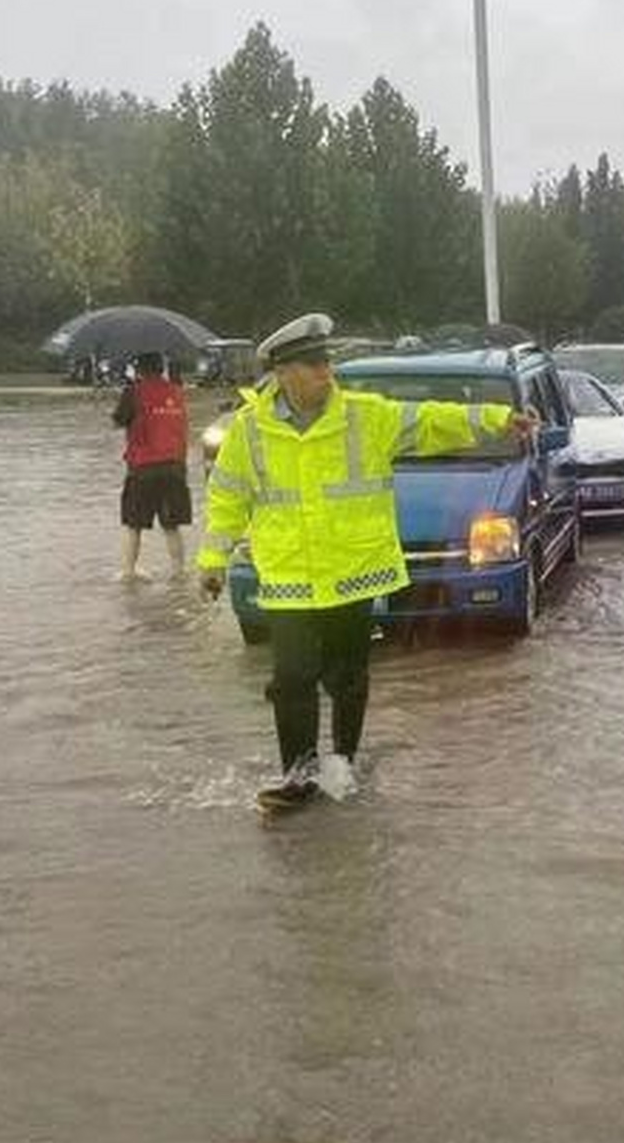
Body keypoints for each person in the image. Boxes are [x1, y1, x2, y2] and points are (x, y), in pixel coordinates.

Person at [196, 312, 540, 809]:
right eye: (313, 365)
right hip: (289, 576)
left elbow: (430, 422)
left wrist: (497, 418)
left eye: (327, 362)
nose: (325, 372)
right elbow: (227, 499)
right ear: (283, 373)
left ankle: (342, 764)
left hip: (352, 575)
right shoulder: (249, 431)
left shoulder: (365, 415)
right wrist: (212, 561)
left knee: (347, 676)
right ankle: (297, 774)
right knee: (291, 676)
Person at [113, 351, 191, 581]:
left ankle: (129, 572)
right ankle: (179, 572)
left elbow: (118, 420)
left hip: (143, 468)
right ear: (161, 369)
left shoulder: (133, 392)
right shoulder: (177, 392)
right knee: (171, 525)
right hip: (175, 467)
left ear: (138, 370)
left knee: (133, 524)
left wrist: (125, 394)